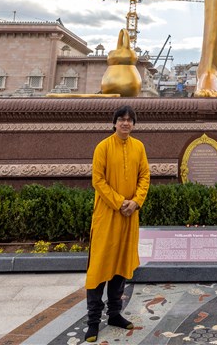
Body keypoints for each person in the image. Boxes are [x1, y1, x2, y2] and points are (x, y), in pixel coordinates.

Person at [84, 105, 150, 342]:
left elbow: (145, 176)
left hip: (129, 216)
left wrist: (136, 202)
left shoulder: (138, 147)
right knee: (99, 268)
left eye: (129, 120)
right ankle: (92, 322)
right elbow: (98, 180)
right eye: (121, 120)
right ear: (114, 123)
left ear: (133, 124)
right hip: (107, 216)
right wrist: (120, 202)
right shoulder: (103, 147)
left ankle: (114, 314)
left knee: (121, 266)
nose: (125, 123)